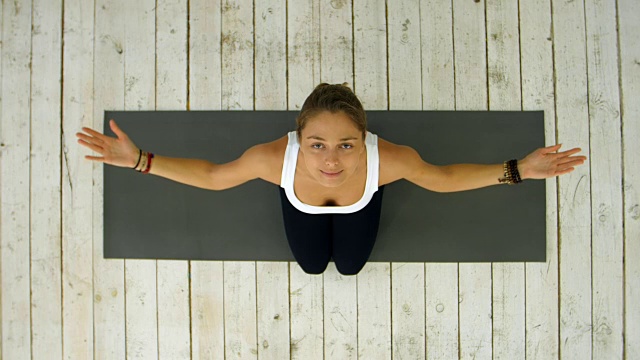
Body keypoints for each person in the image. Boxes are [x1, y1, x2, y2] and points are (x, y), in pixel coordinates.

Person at [77, 83, 587, 276]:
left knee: (348, 266)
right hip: (297, 200)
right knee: (312, 266)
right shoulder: (272, 156)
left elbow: (443, 179)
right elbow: (213, 177)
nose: (331, 160)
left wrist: (521, 169)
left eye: (346, 144)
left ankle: (364, 207)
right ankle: (301, 206)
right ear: (300, 138)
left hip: (361, 203)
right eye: (318, 144)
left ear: (363, 138)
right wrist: (139, 159)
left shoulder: (388, 158)